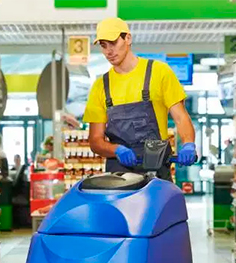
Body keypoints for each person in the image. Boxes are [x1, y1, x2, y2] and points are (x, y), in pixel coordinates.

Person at [83, 18, 197, 180]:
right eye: (103, 45)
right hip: (118, 178)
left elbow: (180, 117)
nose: (109, 51)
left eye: (113, 43)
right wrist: (116, 150)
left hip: (156, 173)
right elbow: (95, 141)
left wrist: (188, 144)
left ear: (127, 38)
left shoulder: (159, 72)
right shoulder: (100, 86)